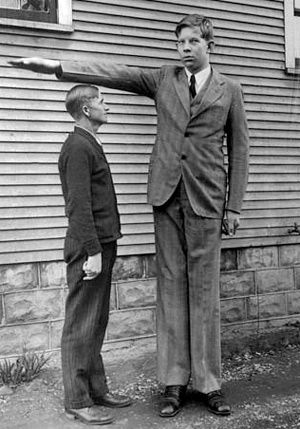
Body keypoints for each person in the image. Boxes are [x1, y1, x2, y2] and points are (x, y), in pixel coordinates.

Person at [9, 13, 249, 418]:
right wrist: (58, 67)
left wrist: (235, 205)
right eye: (180, 43)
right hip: (166, 196)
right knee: (170, 289)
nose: (185, 49)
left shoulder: (231, 91)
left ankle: (209, 384)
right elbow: (115, 72)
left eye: (192, 42)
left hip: (208, 199)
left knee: (205, 293)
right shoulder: (162, 80)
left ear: (209, 43)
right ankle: (173, 383)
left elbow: (240, 150)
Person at [56, 84, 131, 425]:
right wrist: (93, 252)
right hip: (90, 248)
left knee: (96, 321)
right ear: (86, 109)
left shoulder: (89, 144)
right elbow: (79, 207)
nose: (107, 105)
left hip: (102, 243)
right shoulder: (77, 147)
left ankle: (97, 389)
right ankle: (77, 399)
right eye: (101, 101)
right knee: (80, 324)